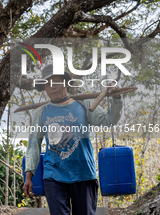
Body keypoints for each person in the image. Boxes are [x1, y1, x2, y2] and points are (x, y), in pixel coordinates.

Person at [22, 64, 123, 215]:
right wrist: (28, 176)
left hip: (83, 174)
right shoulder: (41, 112)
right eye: (48, 84)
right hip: (54, 175)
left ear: (66, 83)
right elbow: (33, 146)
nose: (52, 87)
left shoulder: (84, 105)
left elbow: (108, 120)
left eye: (56, 82)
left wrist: (116, 98)